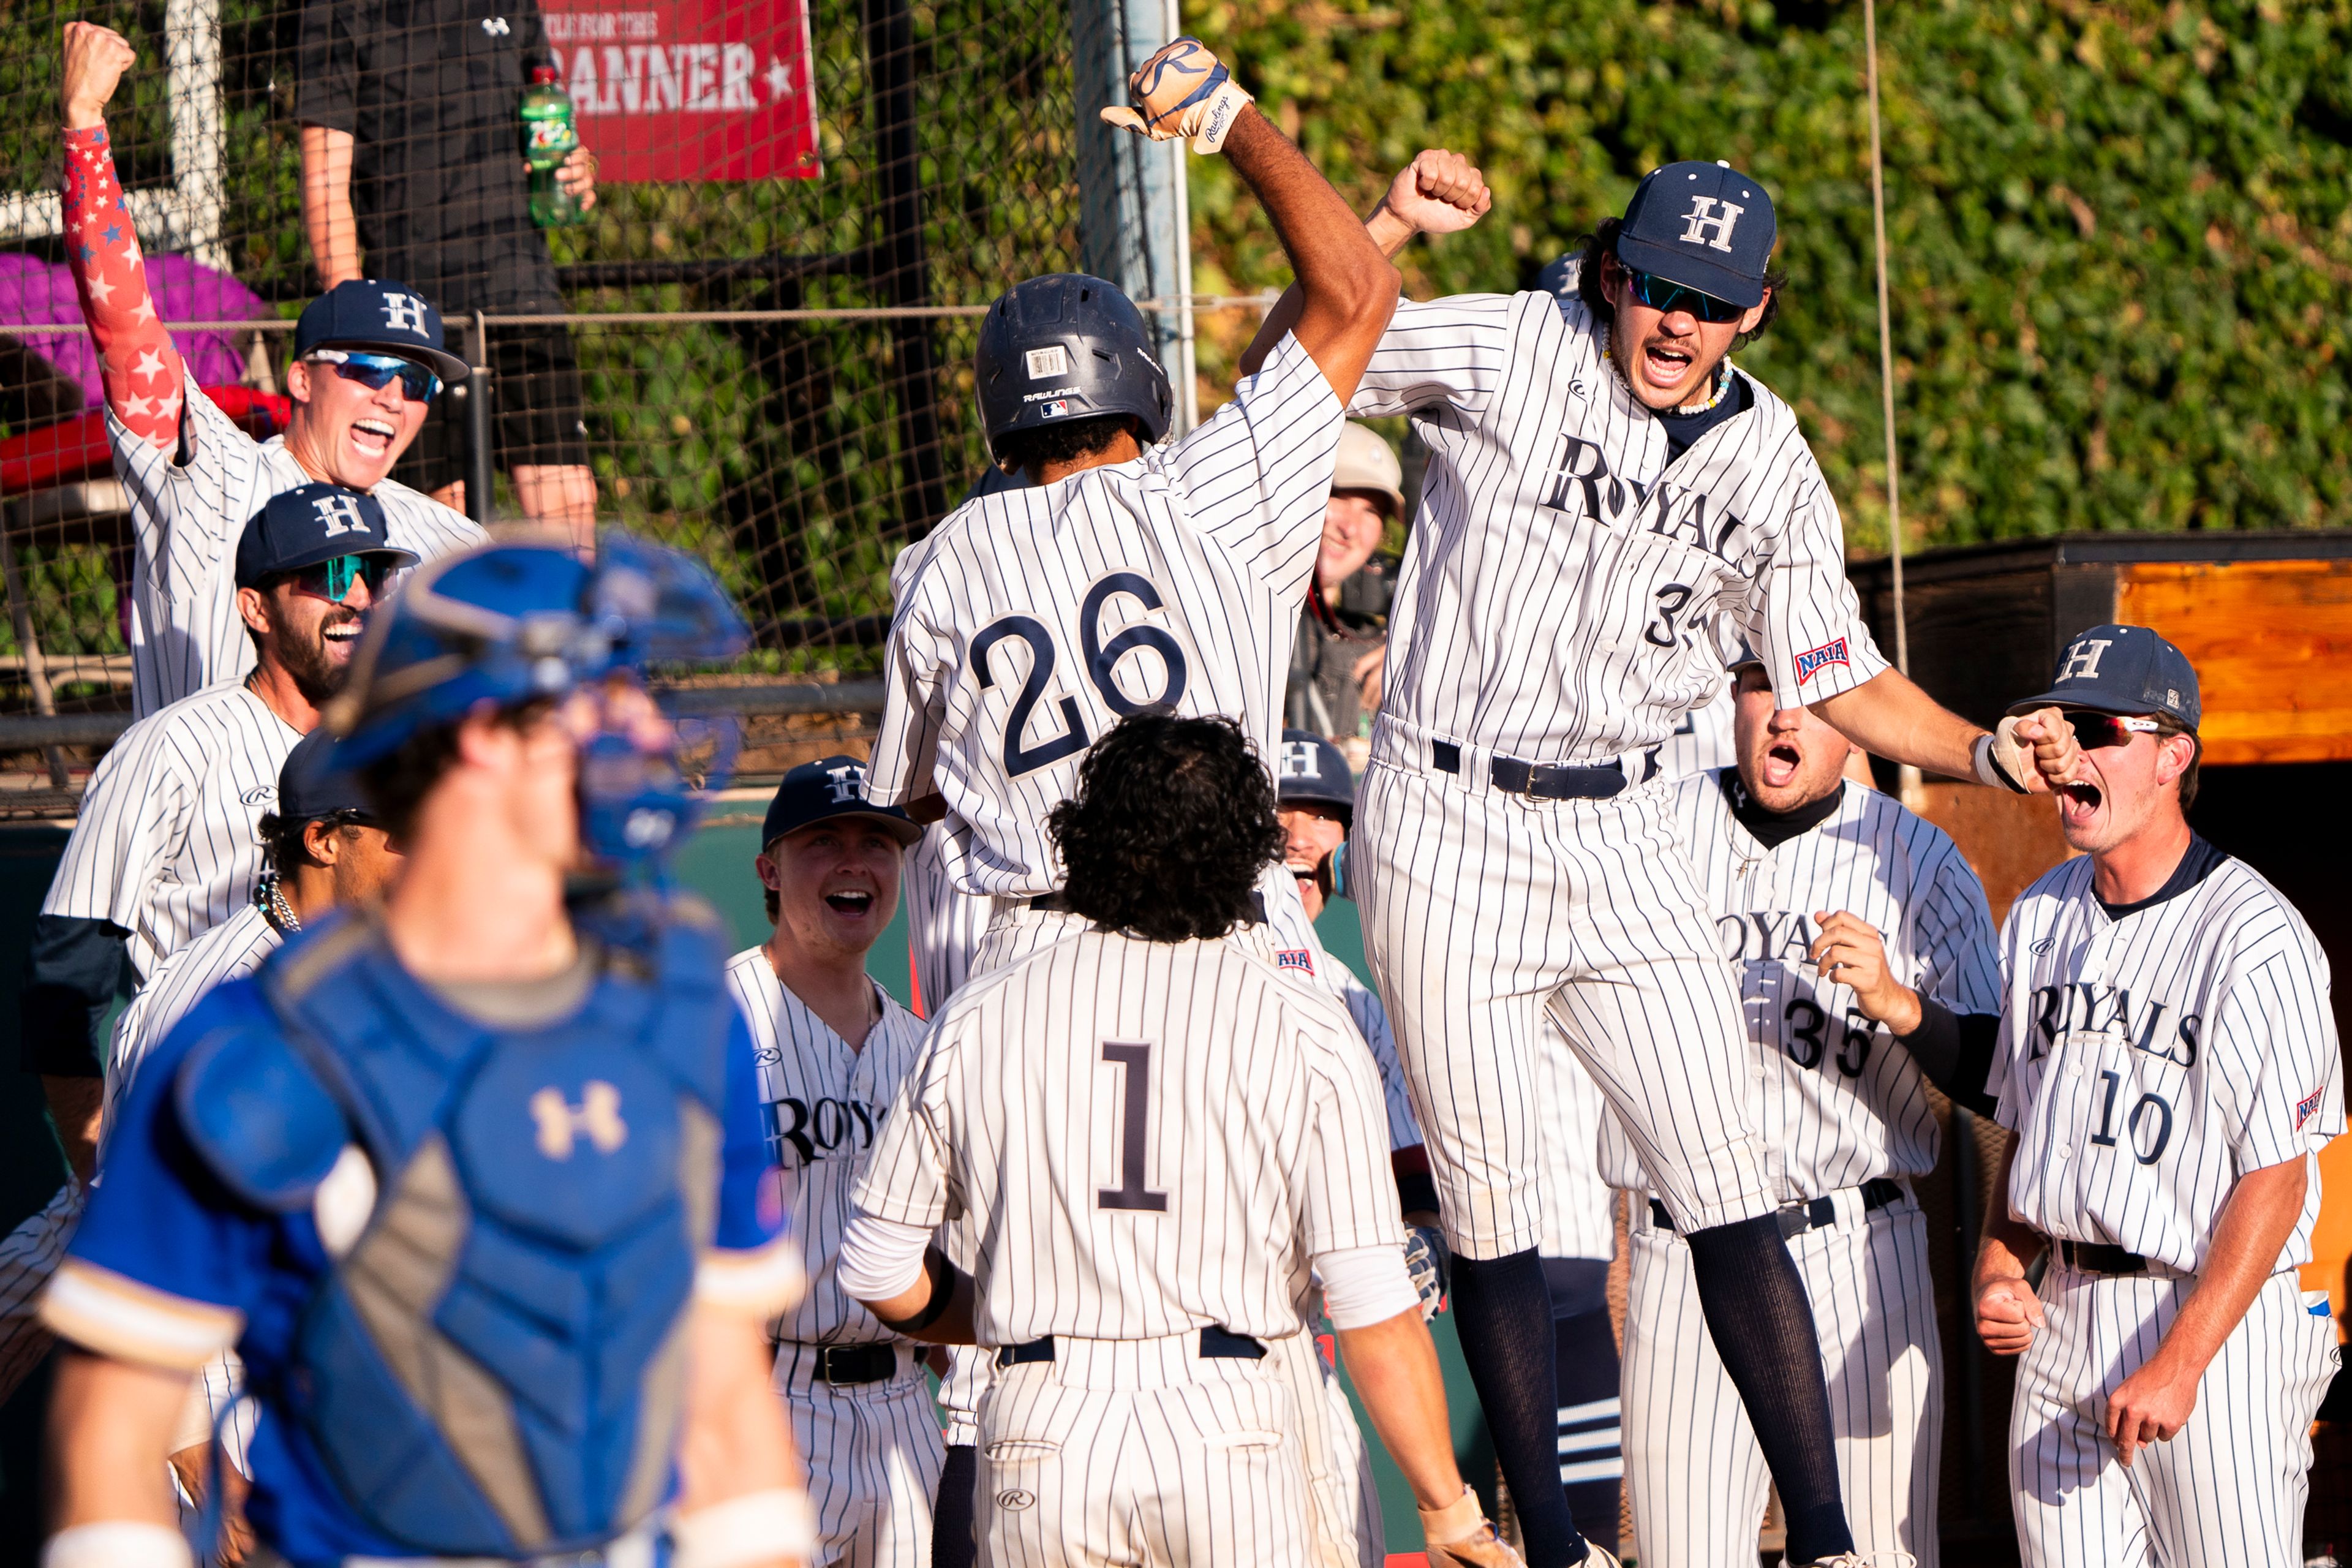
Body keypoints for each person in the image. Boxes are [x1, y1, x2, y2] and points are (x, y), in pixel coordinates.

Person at [1238, 153, 2084, 1568]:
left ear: (1754, 310)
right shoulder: (1517, 343)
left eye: (1713, 301)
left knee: (1721, 1169)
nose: (1677, 322)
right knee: (1495, 1198)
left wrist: (1987, 752)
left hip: (1629, 819)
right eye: (1659, 288)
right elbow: (1294, 367)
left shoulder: (1769, 453)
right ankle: (1557, 1545)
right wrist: (1377, 226)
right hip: (1451, 814)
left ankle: (1817, 1535)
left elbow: (1835, 672)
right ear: (1616, 274)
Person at [868, 43, 1487, 1568]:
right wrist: (1232, 126)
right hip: (1231, 948)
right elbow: (1342, 302)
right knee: (1298, 1290)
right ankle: (1458, 1497)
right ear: (1145, 389)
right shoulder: (1208, 490)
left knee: (1020, 1354)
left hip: (1022, 969)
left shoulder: (940, 560)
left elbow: (911, 791)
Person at [39, 536, 814, 1568]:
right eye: (602, 696)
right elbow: (108, 1426)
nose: (646, 732)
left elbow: (722, 1385)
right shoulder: (255, 1048)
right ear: (477, 738)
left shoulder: (678, 1010)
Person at [839, 713, 1532, 1568]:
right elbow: (1372, 1308)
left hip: (1040, 1425)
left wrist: (1005, 1316)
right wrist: (1449, 1508)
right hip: (1231, 1420)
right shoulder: (1306, 1020)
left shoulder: (982, 1011)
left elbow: (875, 1268)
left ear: (1083, 839)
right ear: (1249, 853)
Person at [1602, 654, 2003, 1568]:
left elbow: (1995, 1074)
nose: (1784, 716)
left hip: (1856, 1240)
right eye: (1759, 690)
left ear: (1859, 719)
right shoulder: (1644, 830)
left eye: (1816, 699)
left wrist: (1903, 1005)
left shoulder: (1916, 856)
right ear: (1731, 704)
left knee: (1881, 1555)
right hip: (1686, 1244)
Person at [1974, 625, 2342, 1568]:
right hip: (2063, 1315)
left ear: (2174, 753)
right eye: (2058, 727)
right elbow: (2024, 1129)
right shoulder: (2041, 913)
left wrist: (2182, 1362)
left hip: (2211, 1324)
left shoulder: (2257, 936)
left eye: (2097, 728)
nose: (2068, 752)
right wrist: (1996, 1263)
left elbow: (2280, 1179)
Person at [57, 23, 485, 720]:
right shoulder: (214, 477)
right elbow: (126, 326)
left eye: (416, 382)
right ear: (301, 380)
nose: (391, 395)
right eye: (370, 367)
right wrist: (85, 130)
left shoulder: (451, 541)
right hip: (210, 824)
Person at [23, 484, 413, 1187]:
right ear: (255, 607)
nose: (356, 595)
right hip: (192, 1120)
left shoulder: (402, 742)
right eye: (328, 575)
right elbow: (66, 972)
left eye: (373, 573)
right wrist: (93, 1173)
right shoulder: (174, 746)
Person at [96, 725, 405, 1558]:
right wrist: (205, 1467)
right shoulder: (215, 1003)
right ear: (324, 839)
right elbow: (136, 1254)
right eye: (403, 834)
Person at [727, 756, 943, 1568]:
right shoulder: (716, 1019)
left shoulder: (924, 1050)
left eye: (876, 842)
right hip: (768, 1398)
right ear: (770, 870)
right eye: (825, 840)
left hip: (903, 1407)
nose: (856, 861)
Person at [300, 0, 602, 541]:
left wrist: (577, 167)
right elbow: (325, 188)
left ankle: (574, 629)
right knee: (441, 527)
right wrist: (362, 335)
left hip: (522, 293)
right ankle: (446, 629)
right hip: (414, 318)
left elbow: (547, 124)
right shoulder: (340, 10)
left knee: (569, 512)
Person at [1285, 424, 1403, 750]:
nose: (1350, 528)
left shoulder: (1395, 636)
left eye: (1371, 511)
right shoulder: (1241, 602)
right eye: (1338, 496)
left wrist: (1414, 655)